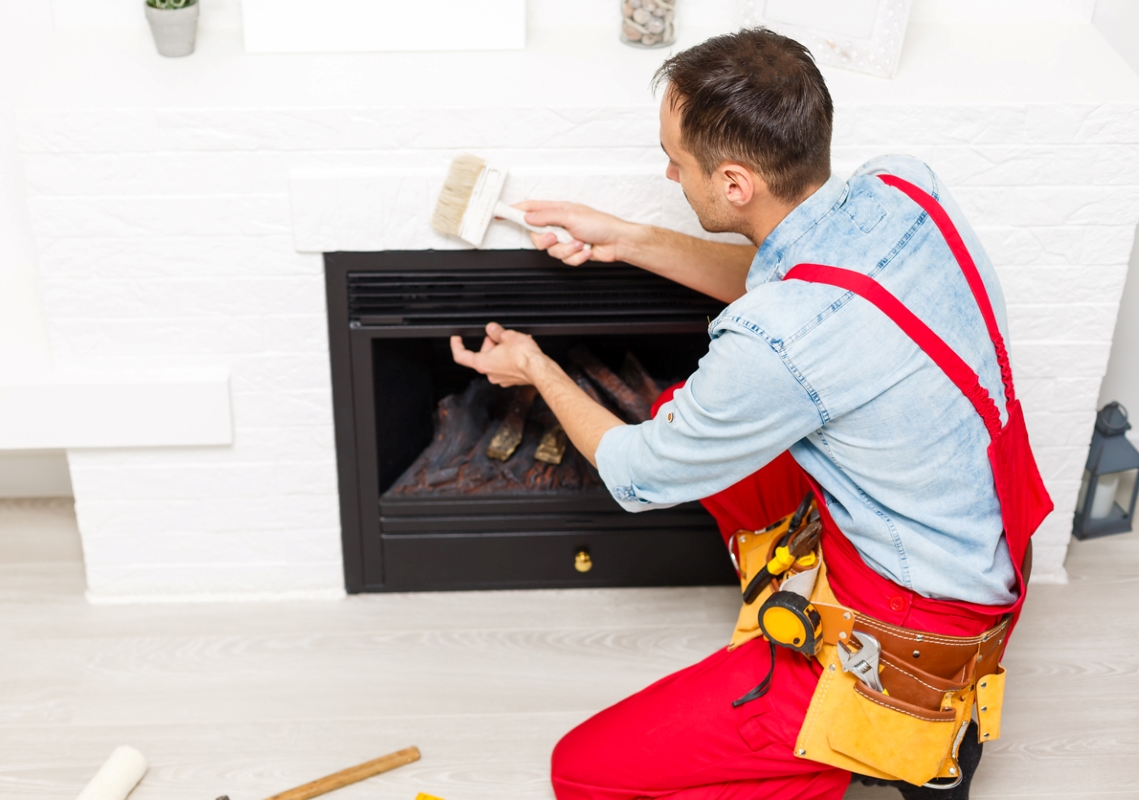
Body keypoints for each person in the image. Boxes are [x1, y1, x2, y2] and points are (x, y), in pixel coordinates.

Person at [449, 28, 1051, 800]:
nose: (667, 171)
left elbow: (637, 473)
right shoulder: (904, 188)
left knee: (582, 772)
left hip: (913, 629)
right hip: (986, 543)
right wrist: (627, 239)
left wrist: (538, 369)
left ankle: (885, 739)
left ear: (734, 185)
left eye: (676, 160)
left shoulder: (775, 343)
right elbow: (799, 287)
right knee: (682, 409)